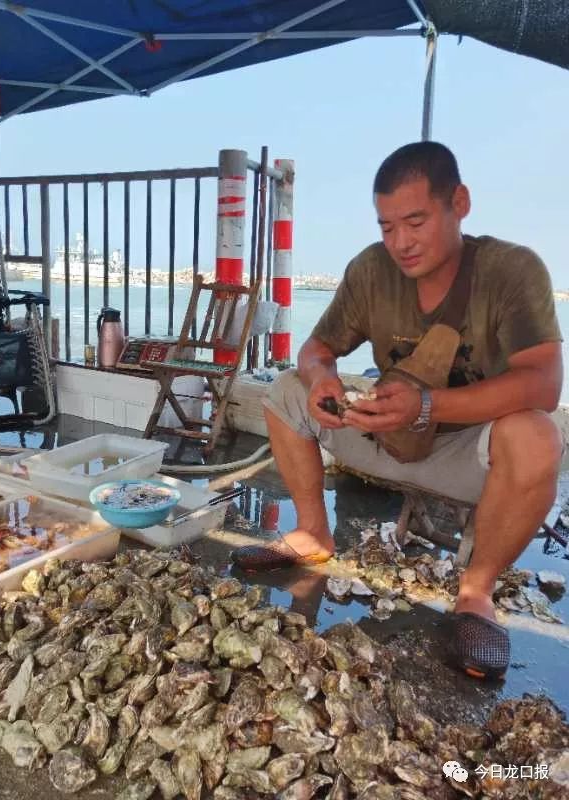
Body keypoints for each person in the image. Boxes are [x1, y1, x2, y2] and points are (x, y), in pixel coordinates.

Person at [232, 141, 564, 679]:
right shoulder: (370, 270)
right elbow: (315, 350)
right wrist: (324, 382)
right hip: (381, 433)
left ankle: (476, 592)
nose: (400, 243)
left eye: (415, 221)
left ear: (460, 202)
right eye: (387, 227)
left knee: (538, 436)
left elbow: (545, 383)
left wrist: (428, 405)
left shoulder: (512, 271)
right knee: (287, 390)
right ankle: (313, 534)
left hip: (467, 455)